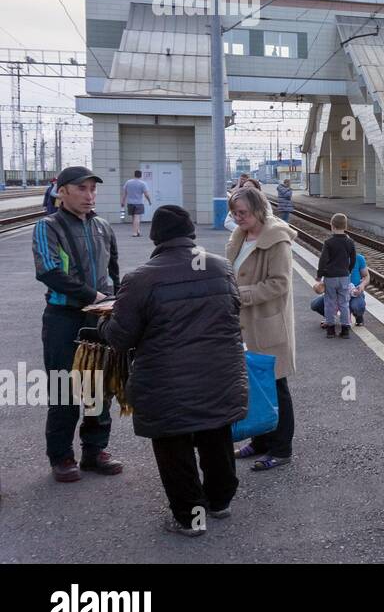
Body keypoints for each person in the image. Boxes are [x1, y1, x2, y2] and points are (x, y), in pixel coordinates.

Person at [102, 205, 246, 537]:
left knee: (174, 447)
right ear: (190, 233)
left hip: (167, 384)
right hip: (219, 375)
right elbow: (233, 312)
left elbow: (121, 338)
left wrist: (105, 322)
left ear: (156, 237)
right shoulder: (221, 267)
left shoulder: (140, 278)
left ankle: (190, 518)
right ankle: (220, 502)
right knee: (215, 433)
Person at [31, 166, 122, 482]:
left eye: (92, 189)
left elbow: (114, 270)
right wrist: (92, 294)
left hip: (99, 318)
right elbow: (49, 271)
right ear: (63, 191)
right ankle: (61, 457)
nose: (89, 195)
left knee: (100, 387)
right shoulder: (48, 226)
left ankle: (95, 452)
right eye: (81, 189)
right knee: (63, 388)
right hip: (63, 318)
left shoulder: (102, 226)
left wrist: (117, 299)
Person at [226, 185, 297, 471]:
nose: (238, 217)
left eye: (242, 212)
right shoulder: (239, 236)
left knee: (277, 387)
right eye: (234, 212)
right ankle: (260, 442)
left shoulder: (277, 240)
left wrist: (240, 295)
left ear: (258, 209)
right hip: (243, 326)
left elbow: (280, 284)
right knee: (253, 387)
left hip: (267, 324)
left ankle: (282, 449)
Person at [316, 213, 357, 339]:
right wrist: (348, 270)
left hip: (330, 277)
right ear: (345, 226)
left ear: (332, 226)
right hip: (344, 276)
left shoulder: (328, 243)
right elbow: (353, 259)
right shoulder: (350, 242)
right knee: (344, 302)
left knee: (330, 302)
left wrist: (319, 275)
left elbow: (323, 260)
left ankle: (331, 330)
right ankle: (345, 329)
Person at [311, 251, 368, 329]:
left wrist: (362, 285)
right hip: (334, 295)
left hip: (353, 292)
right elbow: (323, 282)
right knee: (316, 305)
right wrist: (319, 286)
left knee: (356, 306)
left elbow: (366, 276)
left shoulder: (358, 258)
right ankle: (329, 319)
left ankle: (358, 317)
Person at [120, 170, 152, 238]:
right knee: (137, 217)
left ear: (134, 174)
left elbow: (125, 193)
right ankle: (135, 232)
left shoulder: (128, 182)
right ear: (141, 175)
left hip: (130, 203)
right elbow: (146, 194)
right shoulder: (143, 183)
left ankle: (137, 231)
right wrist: (149, 201)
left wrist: (122, 201)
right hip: (139, 203)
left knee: (133, 217)